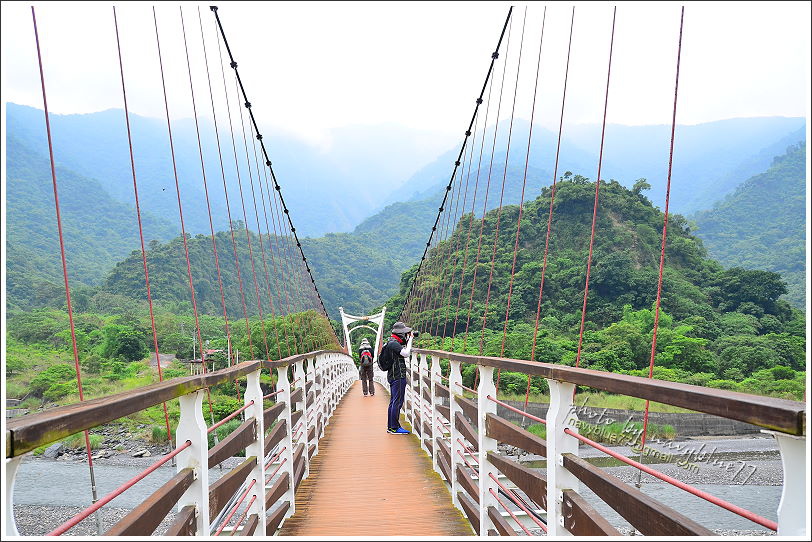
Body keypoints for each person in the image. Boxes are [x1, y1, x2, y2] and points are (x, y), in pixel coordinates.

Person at [379, 321, 415, 434]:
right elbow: (406, 353)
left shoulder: (390, 342)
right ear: (400, 334)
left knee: (393, 402)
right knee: (397, 402)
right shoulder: (394, 344)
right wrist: (410, 341)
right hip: (398, 375)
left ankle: (391, 427)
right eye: (404, 333)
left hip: (393, 375)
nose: (406, 335)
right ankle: (394, 427)